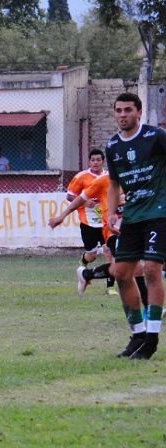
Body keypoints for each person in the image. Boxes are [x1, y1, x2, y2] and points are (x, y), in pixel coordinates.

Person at [49, 172, 150, 356]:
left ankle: (88, 274)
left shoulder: (138, 177)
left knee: (133, 271)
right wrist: (62, 216)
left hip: (136, 231)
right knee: (135, 269)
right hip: (113, 233)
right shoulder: (103, 181)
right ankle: (144, 327)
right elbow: (80, 198)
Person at [105, 92, 166, 360]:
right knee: (120, 273)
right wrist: (110, 212)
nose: (122, 115)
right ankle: (138, 335)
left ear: (139, 112)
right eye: (118, 110)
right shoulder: (112, 146)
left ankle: (152, 339)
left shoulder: (156, 137)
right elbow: (114, 183)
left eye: (128, 110)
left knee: (152, 269)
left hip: (159, 212)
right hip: (132, 216)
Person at [65, 149, 110, 292]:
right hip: (88, 222)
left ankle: (110, 288)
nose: (95, 162)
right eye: (93, 160)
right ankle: (83, 266)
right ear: (89, 162)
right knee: (92, 255)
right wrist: (84, 202)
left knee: (110, 252)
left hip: (106, 222)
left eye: (98, 160)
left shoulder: (109, 176)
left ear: (103, 161)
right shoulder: (81, 177)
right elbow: (70, 196)